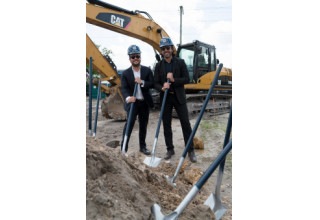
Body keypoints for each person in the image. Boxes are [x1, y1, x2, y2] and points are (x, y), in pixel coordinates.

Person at [153, 37, 197, 163]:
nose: (166, 50)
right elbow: (155, 83)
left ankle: (190, 150)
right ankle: (170, 149)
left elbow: (187, 79)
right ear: (161, 51)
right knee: (166, 124)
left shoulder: (180, 62)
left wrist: (173, 80)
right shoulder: (158, 65)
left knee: (185, 123)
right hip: (166, 98)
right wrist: (162, 87)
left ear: (172, 49)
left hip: (179, 97)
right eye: (163, 49)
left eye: (168, 48)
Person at [120, 45, 154, 155]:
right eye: (133, 56)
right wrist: (128, 98)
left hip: (144, 102)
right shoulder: (125, 73)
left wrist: (142, 82)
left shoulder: (147, 70)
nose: (135, 58)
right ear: (129, 58)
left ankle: (142, 147)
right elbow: (124, 88)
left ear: (140, 57)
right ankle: (123, 148)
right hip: (133, 103)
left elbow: (152, 84)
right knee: (129, 125)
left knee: (143, 125)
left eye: (137, 56)